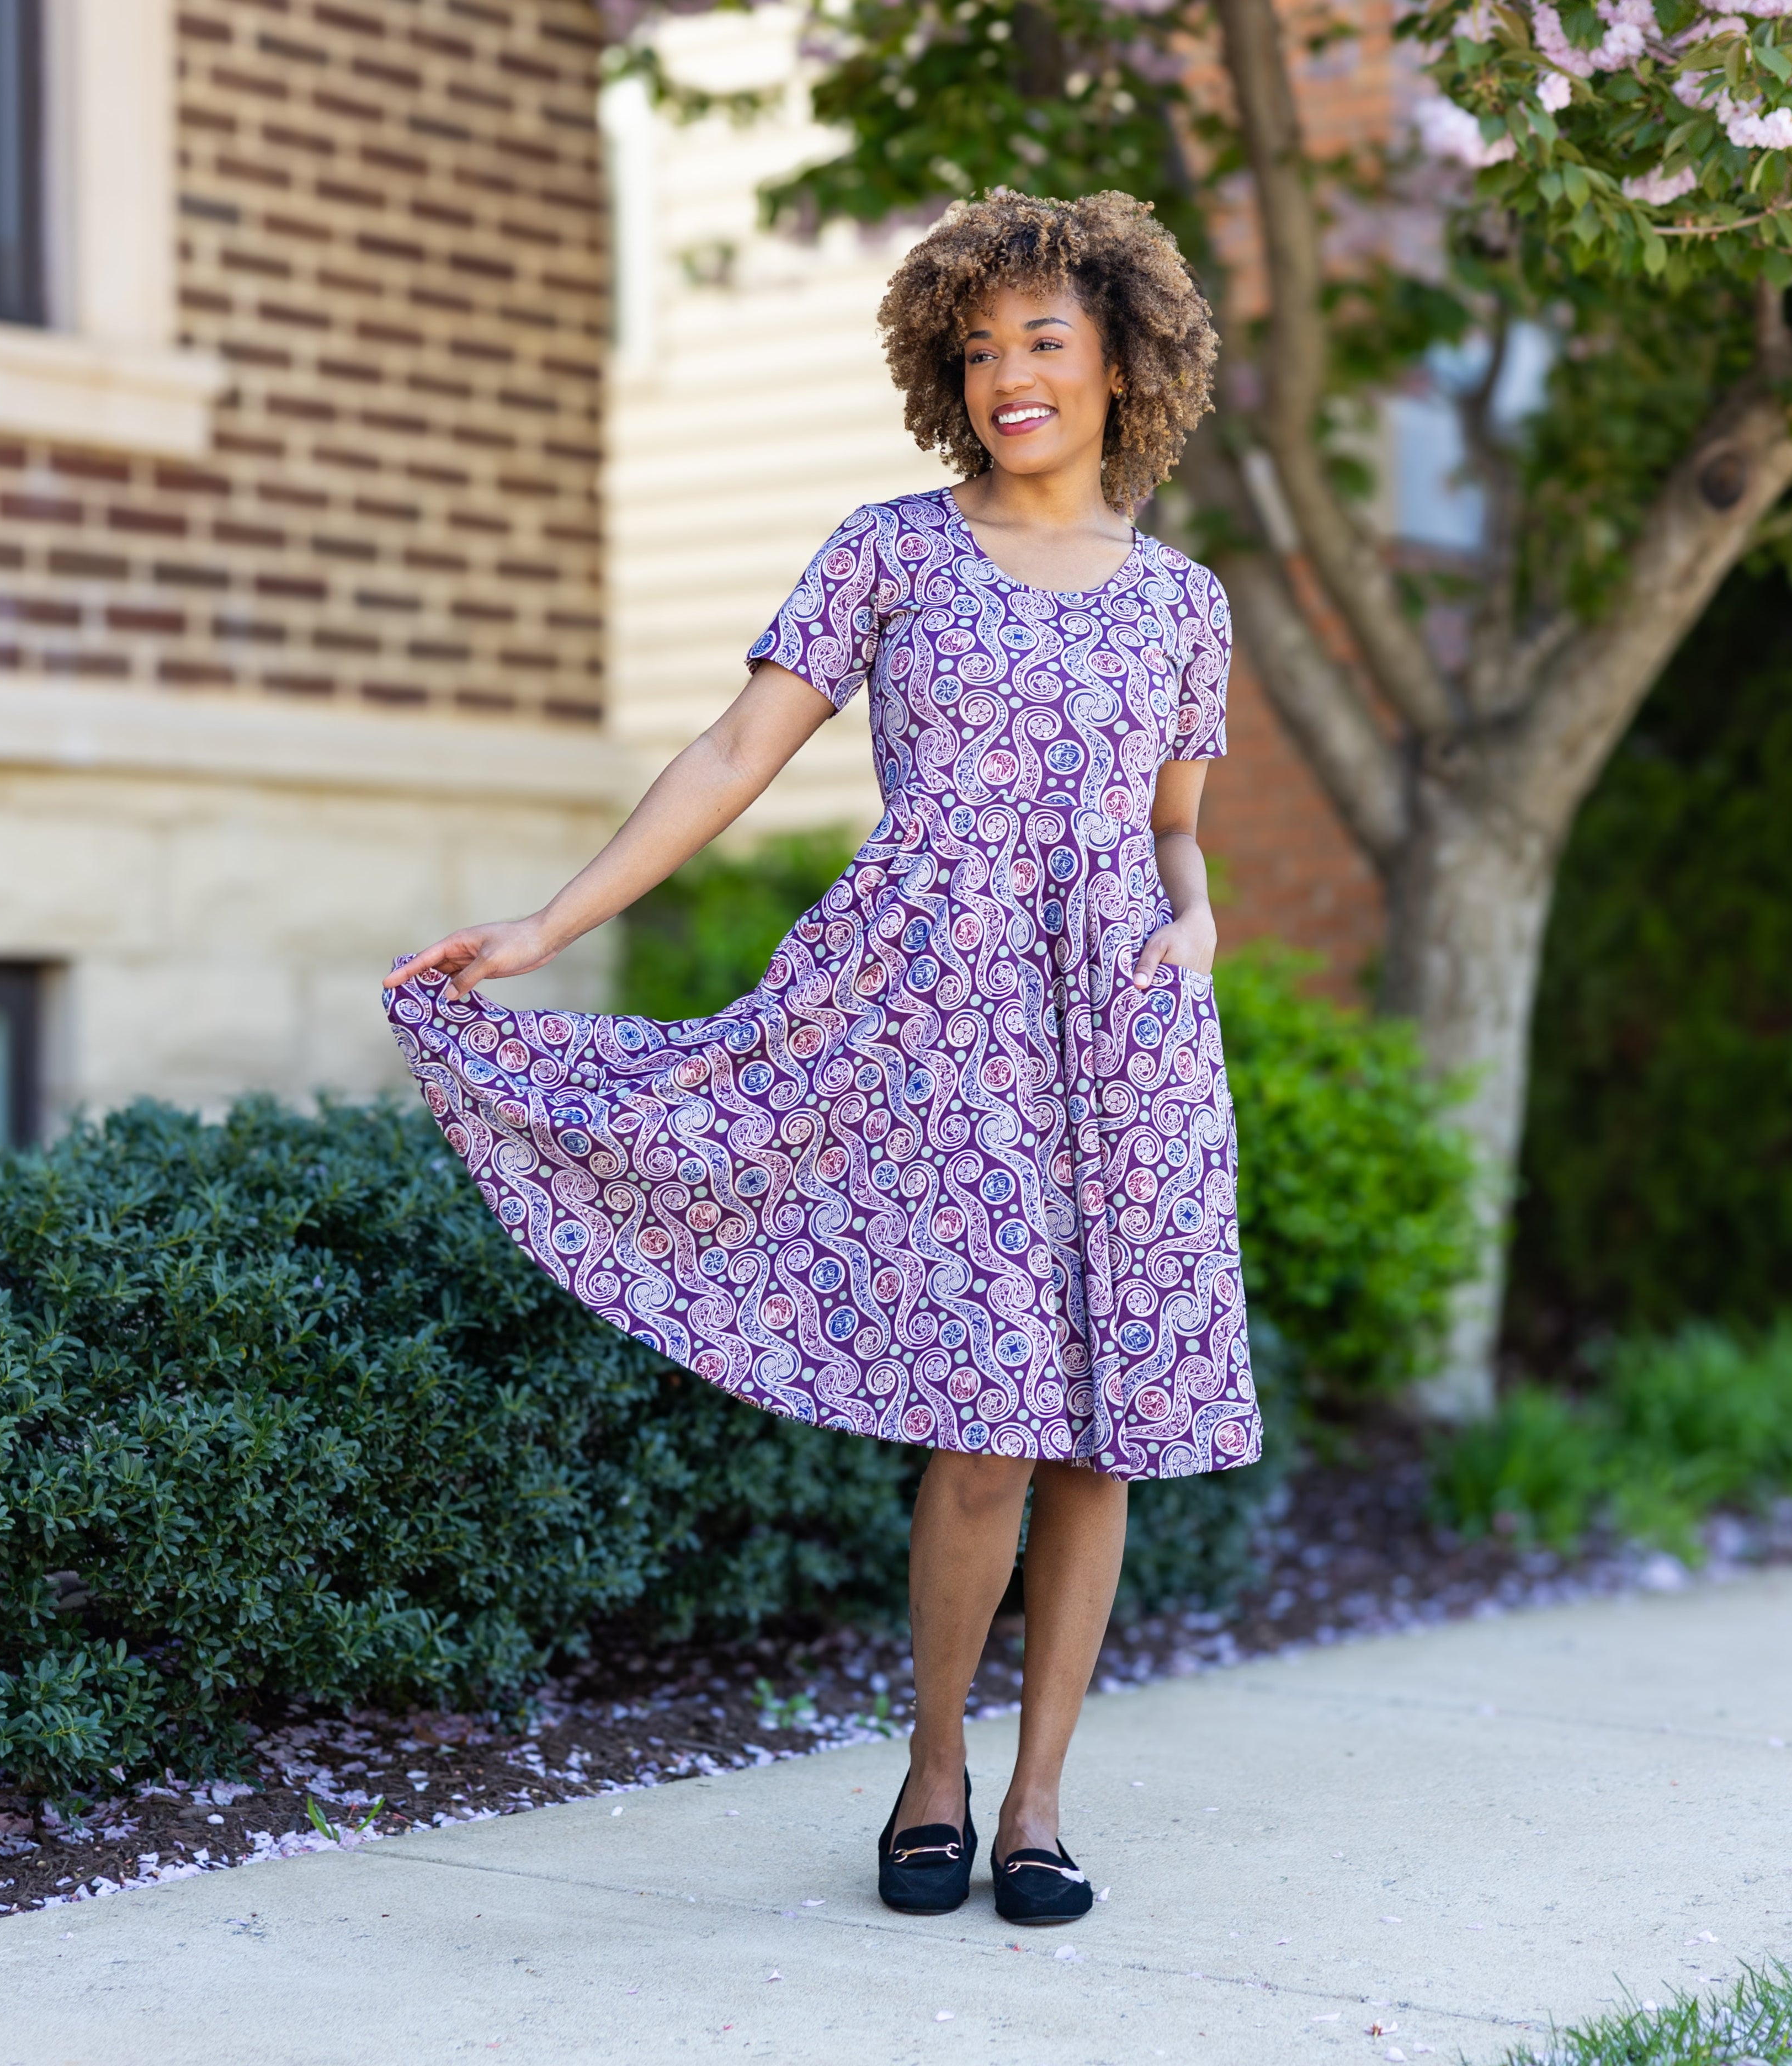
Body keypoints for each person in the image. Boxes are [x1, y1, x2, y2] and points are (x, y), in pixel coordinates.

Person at [382, 188, 1256, 1926]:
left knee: (1104, 1442)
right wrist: (548, 927)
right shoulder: (891, 552)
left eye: (1045, 340)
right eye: (979, 348)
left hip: (1129, 1028)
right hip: (939, 1026)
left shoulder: (1185, 603)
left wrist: (1198, 916)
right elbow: (732, 753)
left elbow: (1176, 823)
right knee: (987, 1431)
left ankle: (1040, 1802)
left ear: (1123, 361)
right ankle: (934, 1770)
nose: (1009, 375)